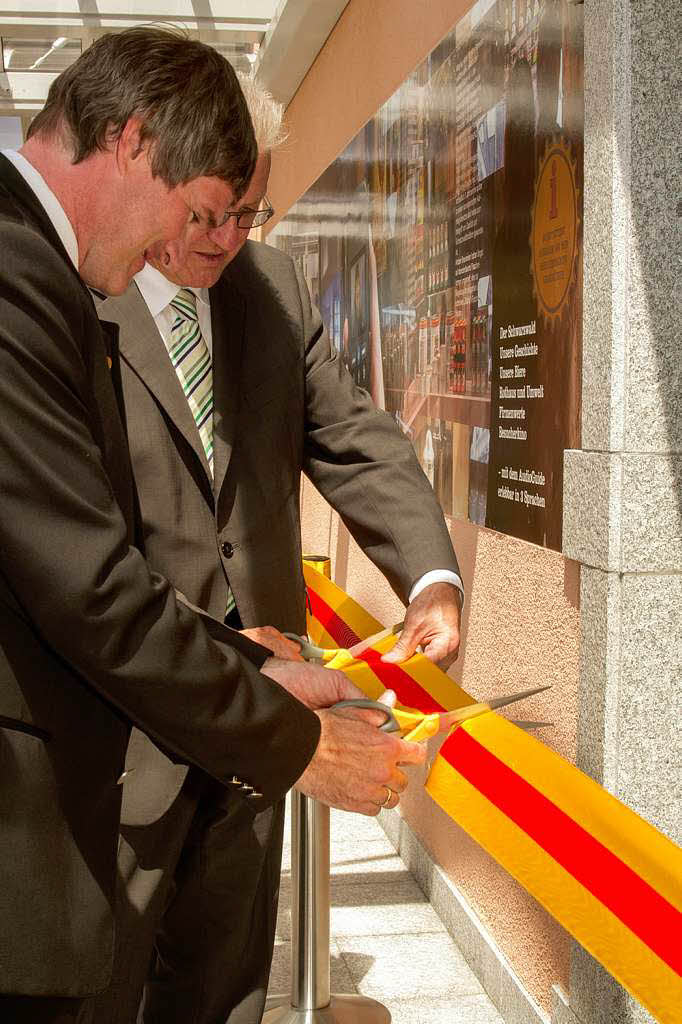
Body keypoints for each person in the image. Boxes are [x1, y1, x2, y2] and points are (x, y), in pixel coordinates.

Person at [0, 29, 423, 1024]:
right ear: (135, 141)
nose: (175, 247)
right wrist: (297, 743)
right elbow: (91, 589)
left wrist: (249, 661)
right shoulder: (18, 274)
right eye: (193, 211)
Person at [96, 76, 464, 1024]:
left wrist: (428, 574)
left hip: (266, 724)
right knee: (107, 987)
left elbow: (352, 435)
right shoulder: (74, 291)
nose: (228, 238)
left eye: (250, 211)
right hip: (123, 728)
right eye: (212, 212)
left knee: (225, 987)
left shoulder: (274, 286)